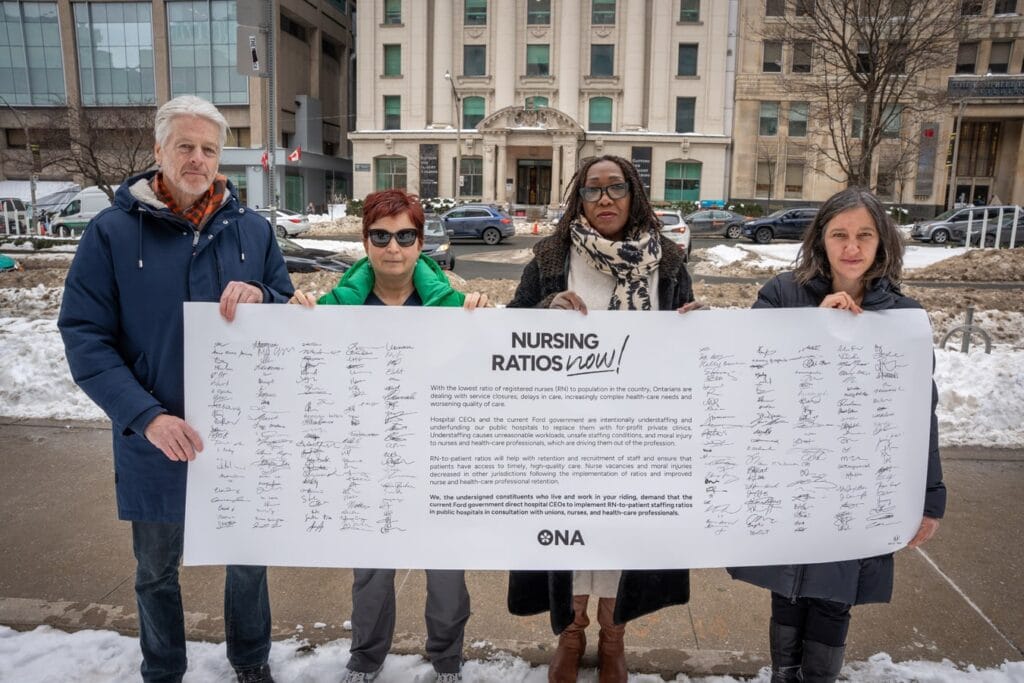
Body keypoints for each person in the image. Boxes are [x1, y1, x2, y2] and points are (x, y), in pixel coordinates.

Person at [58, 95, 293, 683]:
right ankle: (163, 669)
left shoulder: (253, 231)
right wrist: (146, 417)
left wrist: (265, 298)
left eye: (209, 149)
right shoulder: (111, 233)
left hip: (240, 437)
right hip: (156, 437)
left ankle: (251, 661)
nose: (197, 158)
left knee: (247, 562)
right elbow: (85, 337)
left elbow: (291, 309)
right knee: (156, 568)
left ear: (222, 159)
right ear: (158, 151)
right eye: (185, 146)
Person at [728, 187, 946, 683]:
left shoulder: (903, 319)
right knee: (786, 588)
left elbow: (920, 413)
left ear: (882, 241)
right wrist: (815, 331)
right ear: (820, 240)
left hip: (858, 480)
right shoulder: (782, 294)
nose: (852, 246)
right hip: (792, 474)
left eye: (864, 235)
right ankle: (785, 675)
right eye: (839, 234)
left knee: (834, 592)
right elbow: (749, 371)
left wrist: (931, 499)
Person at [505, 154, 696, 683]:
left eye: (616, 188)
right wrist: (544, 309)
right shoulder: (551, 256)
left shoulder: (670, 262)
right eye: (593, 190)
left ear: (633, 194)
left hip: (640, 430)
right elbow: (509, 329)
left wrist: (695, 326)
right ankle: (572, 633)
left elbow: (685, 342)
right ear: (579, 198)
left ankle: (613, 638)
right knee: (569, 538)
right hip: (564, 430)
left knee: (620, 539)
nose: (605, 199)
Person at [290, 189, 487, 683]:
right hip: (370, 460)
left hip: (440, 462)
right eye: (380, 235)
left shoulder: (457, 307)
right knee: (372, 573)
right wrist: (292, 321)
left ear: (421, 243)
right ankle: (366, 658)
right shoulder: (333, 309)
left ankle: (446, 659)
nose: (393, 247)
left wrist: (484, 322)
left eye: (405, 235)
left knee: (445, 572)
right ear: (365, 241)